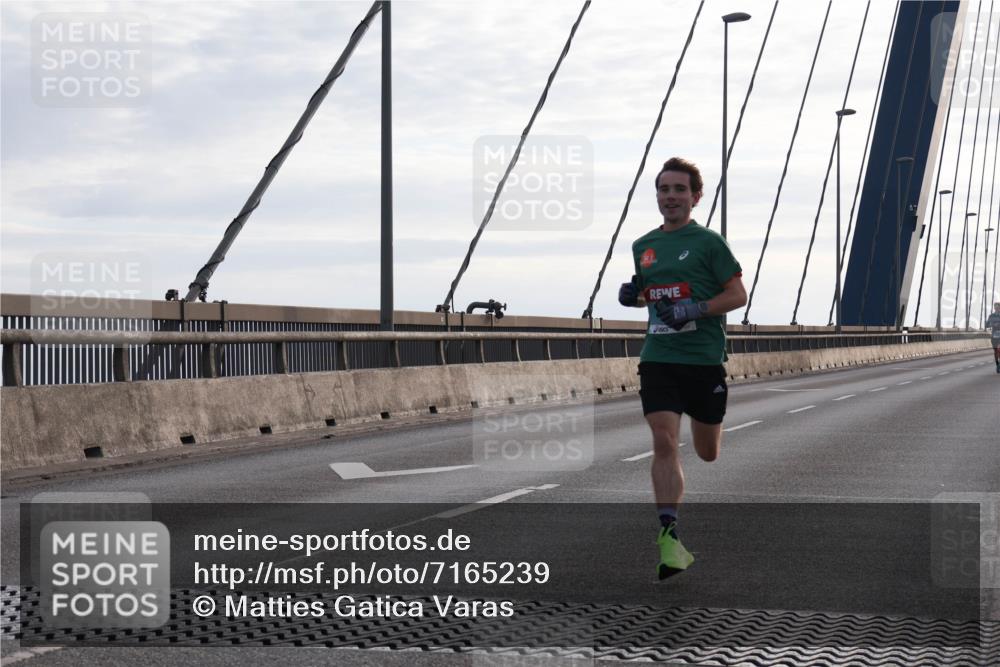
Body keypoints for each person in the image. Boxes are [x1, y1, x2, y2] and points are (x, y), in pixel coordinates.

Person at [618, 157, 747, 580]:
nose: (669, 197)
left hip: (703, 361)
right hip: (659, 357)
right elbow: (650, 295)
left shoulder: (709, 242)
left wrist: (697, 308)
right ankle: (669, 535)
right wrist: (634, 297)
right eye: (663, 189)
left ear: (695, 197)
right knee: (664, 441)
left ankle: (703, 428)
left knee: (707, 452)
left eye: (678, 190)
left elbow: (737, 295)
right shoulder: (643, 246)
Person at [987, 302, 1000, 374]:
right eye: (995, 307)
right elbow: (987, 324)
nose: (996, 309)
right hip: (994, 335)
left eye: (998, 307)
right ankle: (997, 364)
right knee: (995, 351)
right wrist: (988, 324)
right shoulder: (991, 316)